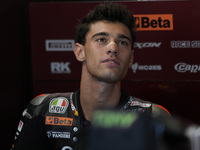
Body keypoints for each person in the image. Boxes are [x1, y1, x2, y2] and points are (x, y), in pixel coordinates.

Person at [11, 2, 171, 150]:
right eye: (101, 39)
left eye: (123, 42)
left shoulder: (154, 119)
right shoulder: (42, 110)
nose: (113, 48)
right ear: (80, 52)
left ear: (130, 58)